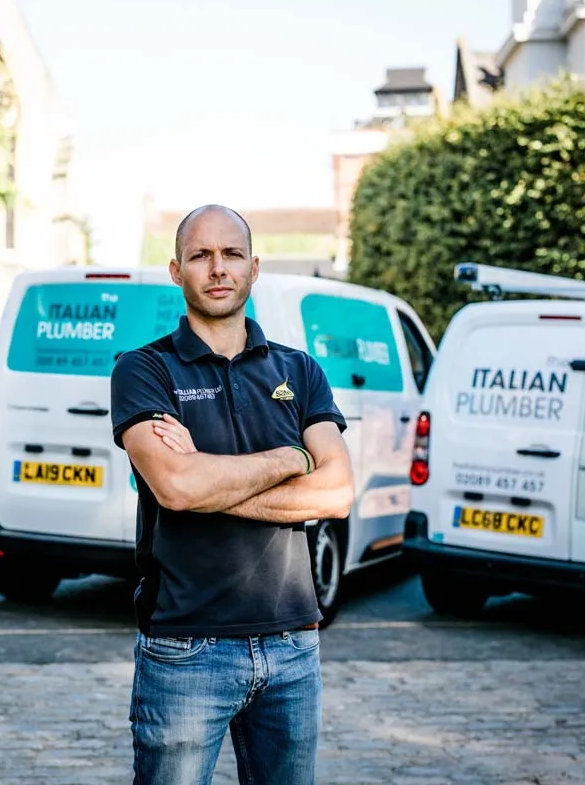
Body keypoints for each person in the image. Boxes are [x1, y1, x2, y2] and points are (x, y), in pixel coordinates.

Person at [110, 204, 355, 784]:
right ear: (176, 270)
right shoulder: (144, 371)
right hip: (186, 649)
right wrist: (294, 459)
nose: (217, 268)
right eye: (200, 255)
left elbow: (338, 491)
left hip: (294, 643)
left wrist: (205, 479)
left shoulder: (301, 370)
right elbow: (174, 485)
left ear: (254, 267)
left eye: (231, 254)